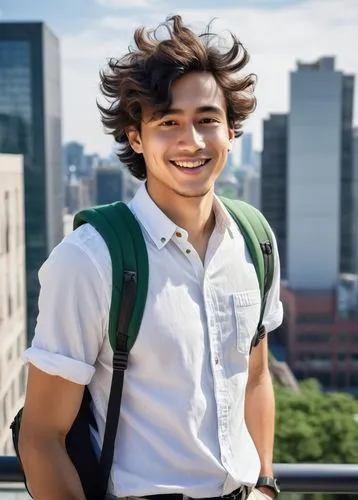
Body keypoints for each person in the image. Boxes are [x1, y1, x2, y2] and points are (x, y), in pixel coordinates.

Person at [19, 14, 283, 500]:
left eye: (208, 119)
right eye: (168, 122)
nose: (192, 141)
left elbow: (256, 377)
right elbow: (41, 437)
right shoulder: (91, 259)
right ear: (136, 137)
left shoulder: (254, 239)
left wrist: (264, 483)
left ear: (231, 130)